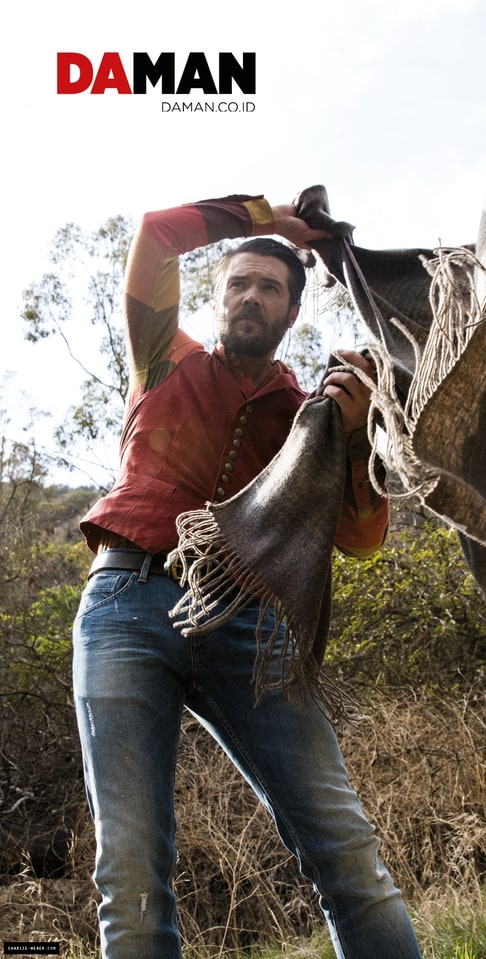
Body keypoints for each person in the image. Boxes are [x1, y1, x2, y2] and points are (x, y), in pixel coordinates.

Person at [72, 193, 423, 959]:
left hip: (251, 625)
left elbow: (358, 539)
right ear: (218, 296)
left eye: (269, 287)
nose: (250, 296)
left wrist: (360, 430)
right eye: (238, 283)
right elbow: (157, 234)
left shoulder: (308, 414)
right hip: (127, 602)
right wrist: (268, 219)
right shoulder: (165, 356)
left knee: (345, 850)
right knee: (130, 868)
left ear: (291, 313)